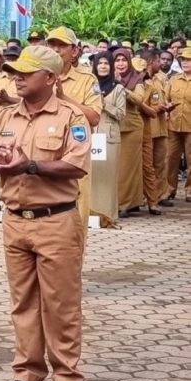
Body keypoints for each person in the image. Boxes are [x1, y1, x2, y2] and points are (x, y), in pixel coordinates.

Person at [0, 45, 90, 381]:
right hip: (14, 220)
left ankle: (67, 377)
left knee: (60, 304)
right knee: (22, 303)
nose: (17, 77)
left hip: (55, 220)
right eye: (15, 71)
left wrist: (29, 166)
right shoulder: (7, 116)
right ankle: (28, 373)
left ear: (51, 78)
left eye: (26, 72)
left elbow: (76, 166)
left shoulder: (73, 116)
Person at [47, 27, 102, 235]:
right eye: (52, 45)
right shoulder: (39, 77)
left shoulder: (88, 80)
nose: (56, 50)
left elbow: (94, 117)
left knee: (77, 215)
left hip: (75, 157)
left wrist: (63, 98)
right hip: (43, 155)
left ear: (75, 51)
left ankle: (73, 265)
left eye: (61, 45)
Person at [89, 52, 126, 224]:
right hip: (91, 134)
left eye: (106, 63)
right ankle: (91, 213)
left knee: (108, 177)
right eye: (100, 63)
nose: (103, 66)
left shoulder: (118, 88)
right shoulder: (90, 86)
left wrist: (104, 103)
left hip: (109, 137)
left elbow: (121, 114)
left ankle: (109, 215)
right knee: (92, 176)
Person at [113, 48, 146, 217]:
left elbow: (139, 100)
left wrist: (121, 88)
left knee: (128, 168)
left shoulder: (137, 79)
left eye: (123, 60)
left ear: (129, 62)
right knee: (116, 166)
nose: (120, 64)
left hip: (131, 128)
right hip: (113, 127)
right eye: (117, 60)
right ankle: (133, 202)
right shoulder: (106, 79)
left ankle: (124, 204)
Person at [138, 49, 167, 215]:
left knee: (149, 167)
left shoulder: (152, 83)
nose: (159, 64)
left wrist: (150, 107)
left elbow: (152, 108)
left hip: (147, 129)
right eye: (157, 61)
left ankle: (152, 201)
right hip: (131, 129)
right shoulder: (133, 80)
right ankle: (133, 200)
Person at [164, 48, 191, 203]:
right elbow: (166, 98)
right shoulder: (174, 79)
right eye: (184, 60)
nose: (185, 63)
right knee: (171, 158)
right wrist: (167, 105)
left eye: (188, 60)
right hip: (173, 125)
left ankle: (189, 190)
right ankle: (169, 189)